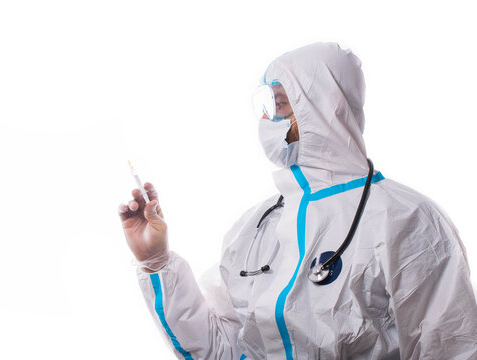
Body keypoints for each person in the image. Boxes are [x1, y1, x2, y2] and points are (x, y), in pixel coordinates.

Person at [118, 42, 477, 359]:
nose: (268, 121)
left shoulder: (406, 220)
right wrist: (156, 261)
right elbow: (222, 349)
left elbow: (451, 347)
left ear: (322, 107)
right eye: (266, 106)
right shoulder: (255, 228)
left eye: (280, 105)